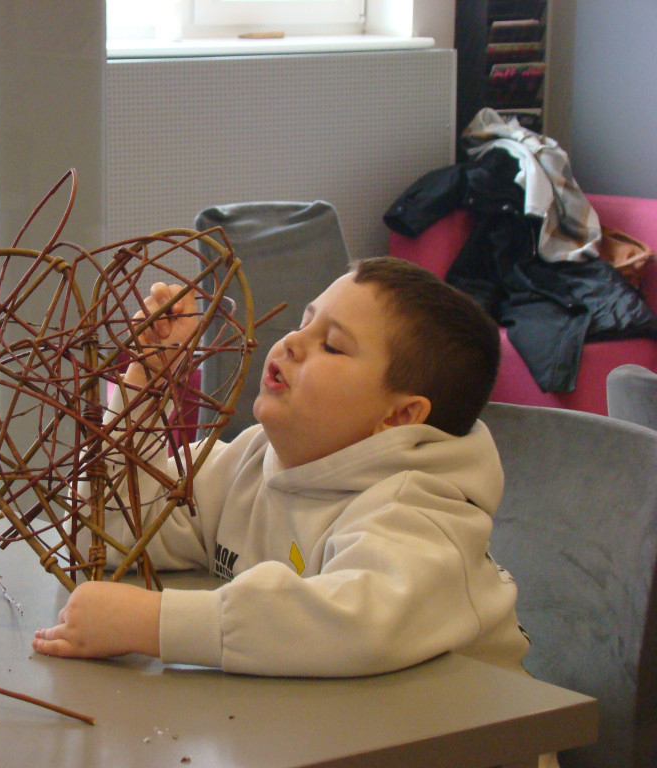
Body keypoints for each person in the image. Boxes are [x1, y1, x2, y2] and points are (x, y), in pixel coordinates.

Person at [32, 256, 529, 680]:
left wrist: (155, 623)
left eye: (331, 345)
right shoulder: (253, 459)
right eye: (304, 322)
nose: (292, 341)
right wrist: (147, 383)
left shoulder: (420, 513)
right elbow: (110, 531)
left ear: (399, 417)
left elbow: (352, 625)